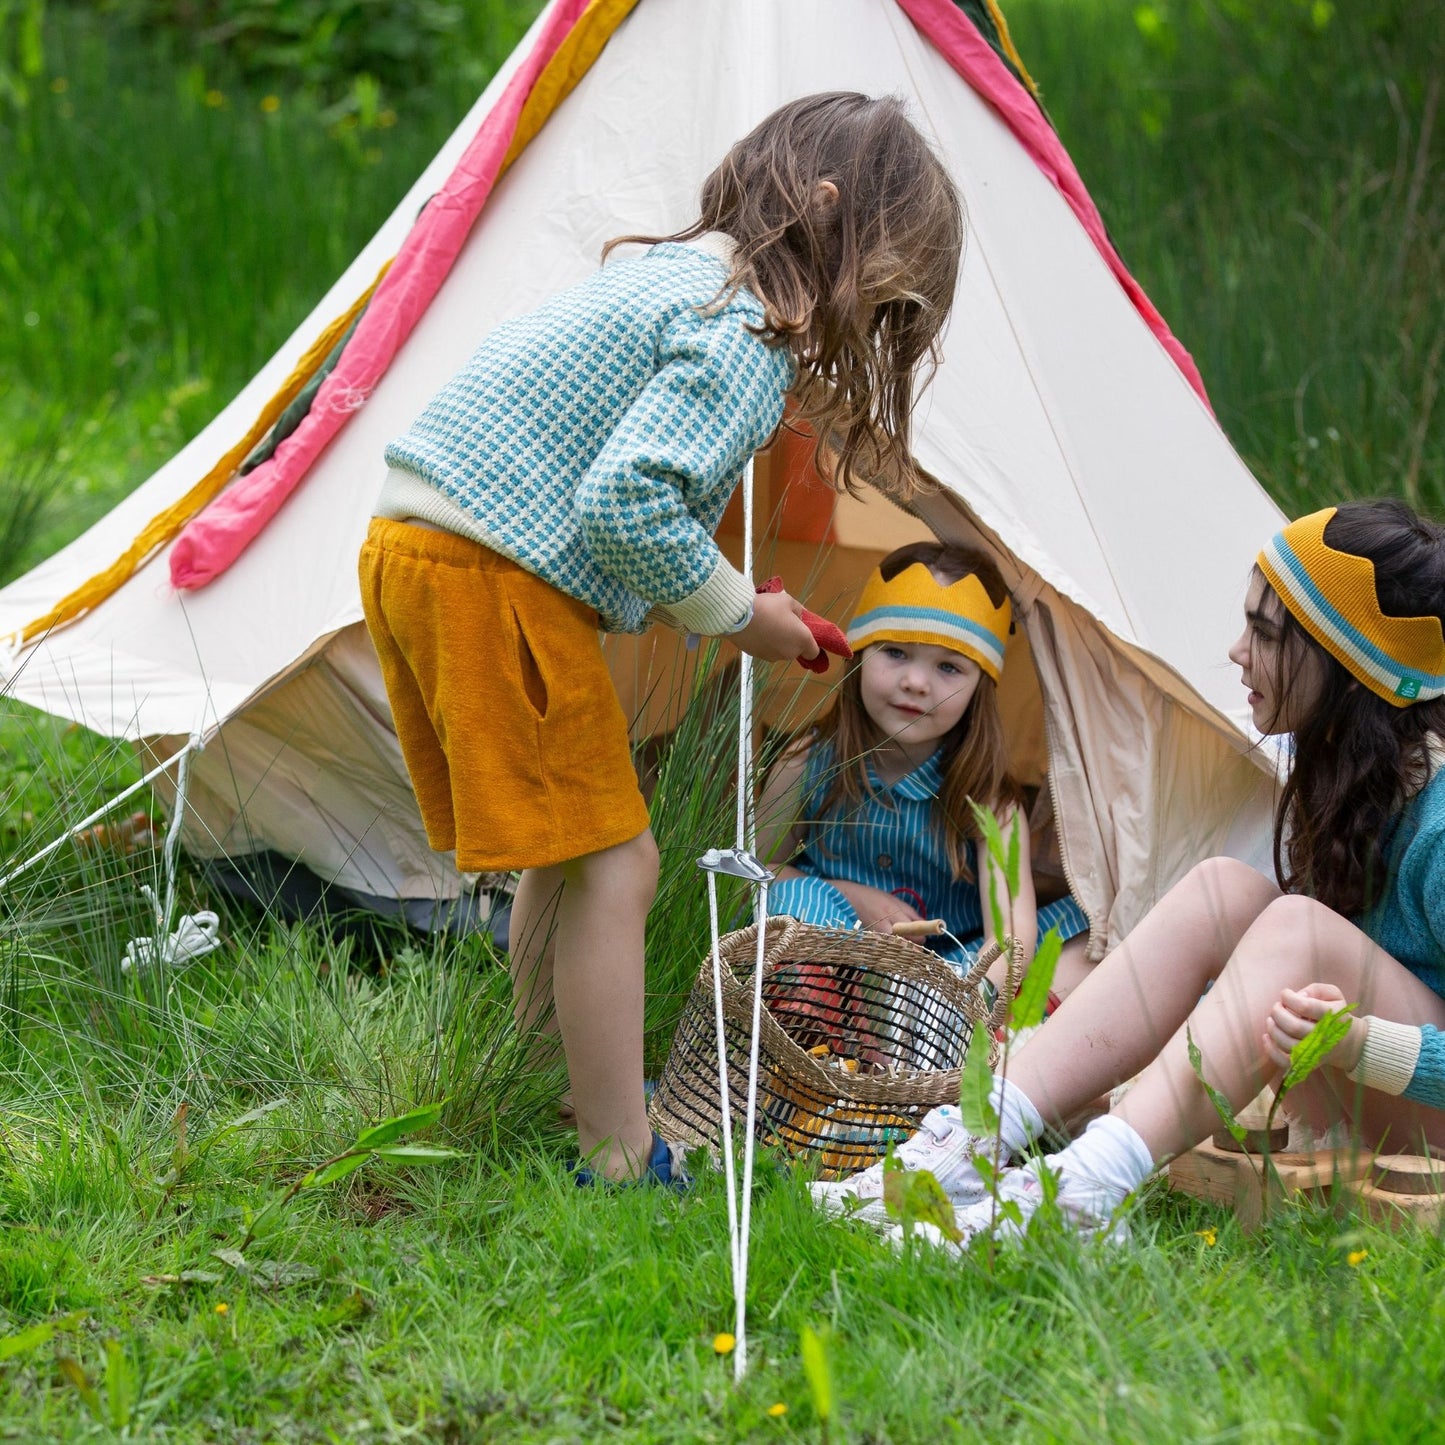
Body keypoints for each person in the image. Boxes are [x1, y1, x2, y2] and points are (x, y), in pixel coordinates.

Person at [357, 93, 964, 1185]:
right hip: (488, 572)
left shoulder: (678, 276)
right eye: (884, 295)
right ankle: (620, 1151)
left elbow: (614, 483)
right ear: (831, 216)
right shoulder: (745, 330)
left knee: (572, 849)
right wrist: (740, 615)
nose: (873, 325)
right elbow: (626, 501)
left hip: (420, 544)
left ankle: (556, 1085)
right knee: (620, 860)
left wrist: (724, 594)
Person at [813, 498, 1445, 1242]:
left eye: (1266, 634)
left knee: (1297, 925)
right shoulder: (1347, 769)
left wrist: (1364, 1044)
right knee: (1223, 889)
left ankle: (1087, 1191)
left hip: (1410, 1095)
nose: (1237, 652)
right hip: (1353, 1080)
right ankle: (970, 1140)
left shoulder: (1437, 821)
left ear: (1349, 665)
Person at [757, 541, 1091, 1045]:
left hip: (950, 971)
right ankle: (838, 1029)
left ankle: (945, 1029)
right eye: (895, 652)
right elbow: (756, 873)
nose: (915, 682)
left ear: (979, 687)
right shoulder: (806, 761)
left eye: (949, 667)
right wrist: (853, 896)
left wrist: (962, 991)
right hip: (840, 956)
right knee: (789, 896)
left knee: (1086, 928)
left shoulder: (990, 801)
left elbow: (1011, 935)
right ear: (859, 652)